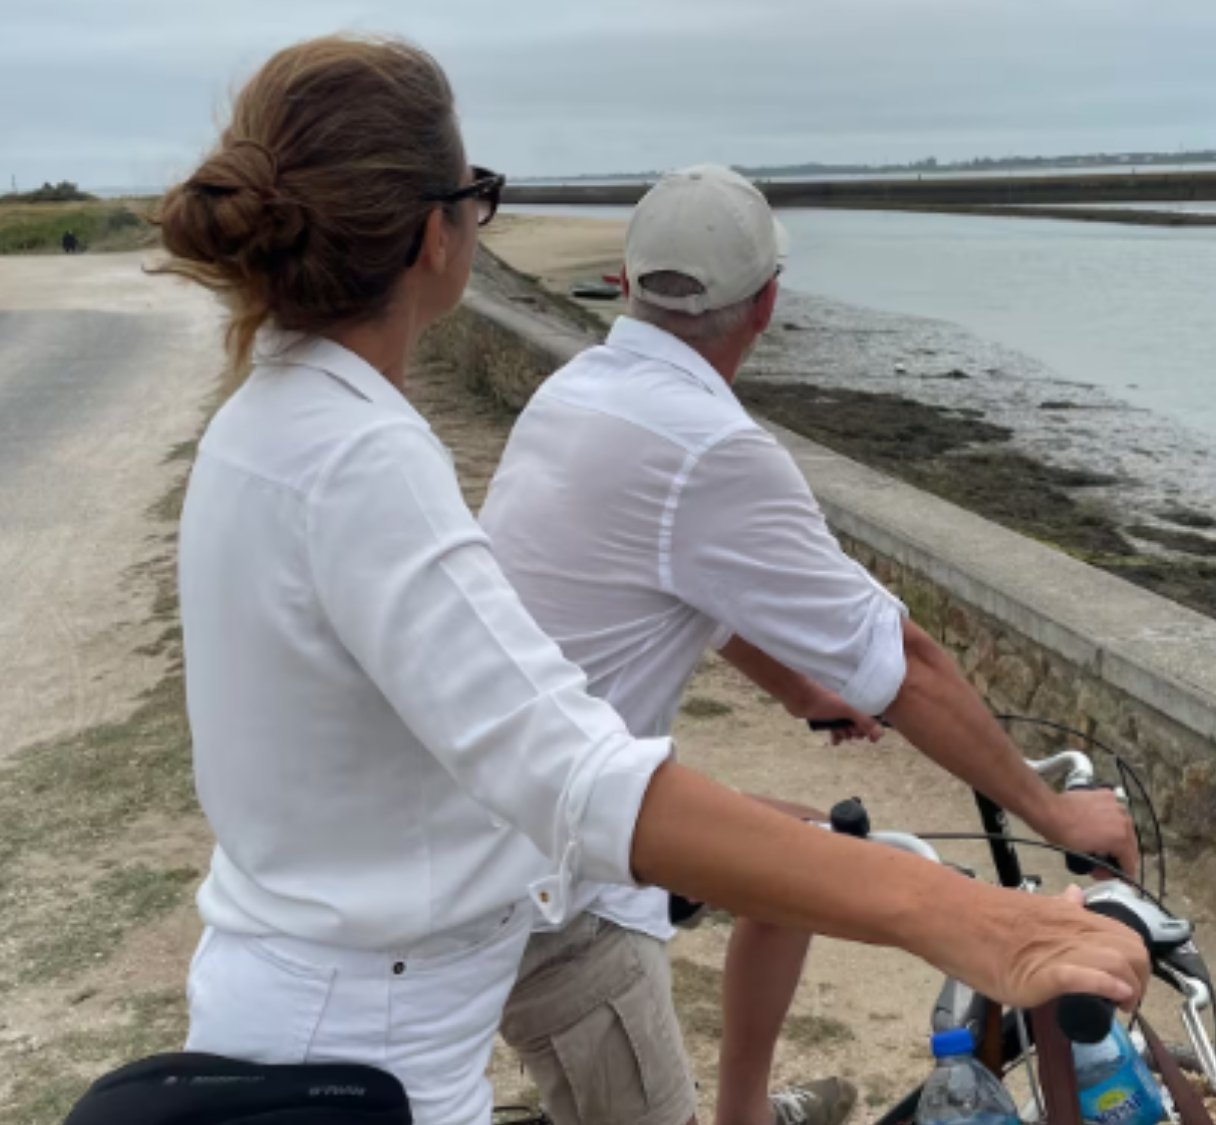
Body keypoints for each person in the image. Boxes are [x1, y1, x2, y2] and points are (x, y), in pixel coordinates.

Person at [156, 38, 1147, 1125]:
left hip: (318, 978)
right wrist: (974, 920)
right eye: (479, 197)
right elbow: (579, 779)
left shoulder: (270, 418)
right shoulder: (362, 458)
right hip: (369, 1053)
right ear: (438, 232)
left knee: (800, 848)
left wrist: (790, 685)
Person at [478, 165, 1143, 1125]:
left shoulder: (579, 389)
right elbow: (906, 663)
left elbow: (686, 577)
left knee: (810, 849)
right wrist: (1053, 813)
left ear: (626, 284)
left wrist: (799, 688)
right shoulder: (714, 448)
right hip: (549, 887)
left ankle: (744, 1114)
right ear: (768, 305)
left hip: (521, 784)